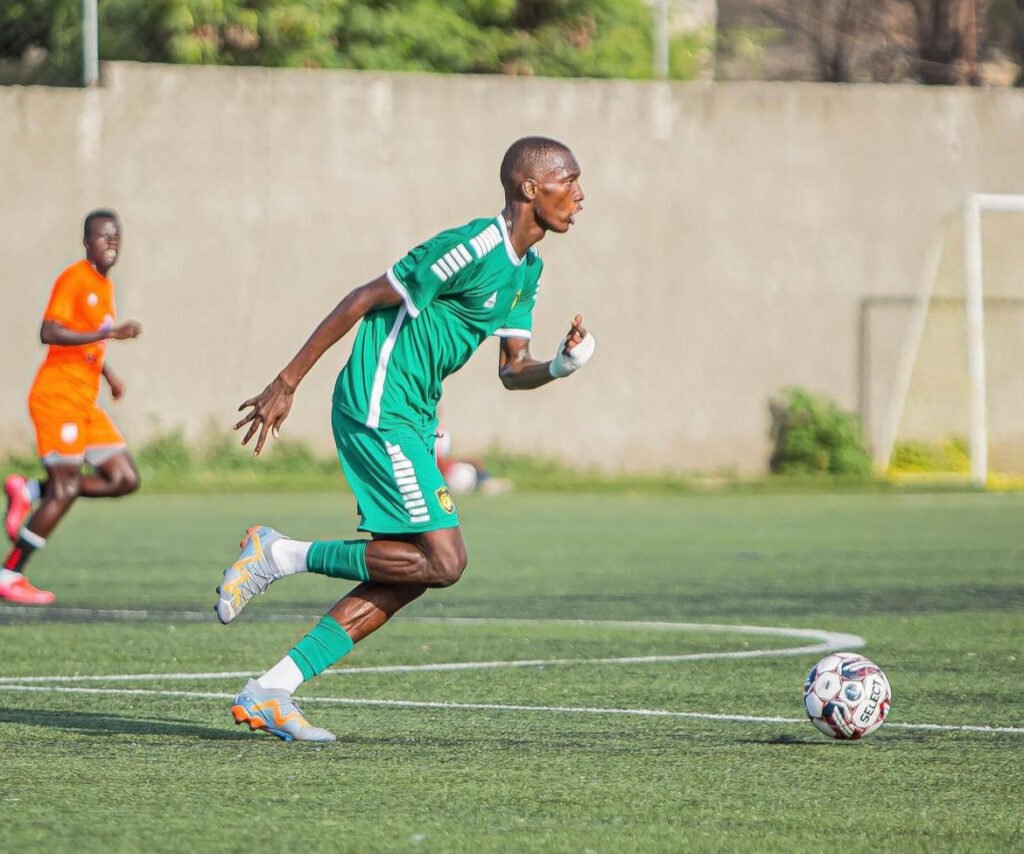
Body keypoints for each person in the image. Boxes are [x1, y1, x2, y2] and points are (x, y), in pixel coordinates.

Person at [216, 136, 594, 743]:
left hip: (415, 417)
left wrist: (558, 366)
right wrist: (286, 383)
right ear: (531, 189)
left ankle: (271, 690)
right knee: (445, 562)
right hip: (377, 405)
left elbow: (510, 368)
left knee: (412, 574)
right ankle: (279, 554)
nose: (580, 195)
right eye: (569, 181)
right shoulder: (471, 246)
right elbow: (364, 297)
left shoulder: (529, 267)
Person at [1, 210, 142, 605]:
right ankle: (10, 573)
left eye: (116, 237)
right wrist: (108, 332)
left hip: (84, 401)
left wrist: (107, 373)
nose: (110, 243)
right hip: (57, 397)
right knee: (64, 490)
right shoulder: (75, 278)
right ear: (86, 242)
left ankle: (28, 490)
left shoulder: (103, 285)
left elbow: (84, 342)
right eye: (102, 237)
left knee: (124, 478)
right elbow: (50, 331)